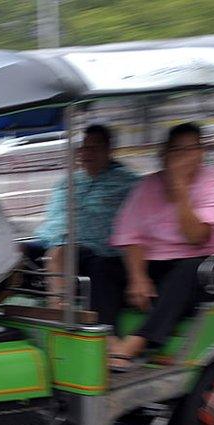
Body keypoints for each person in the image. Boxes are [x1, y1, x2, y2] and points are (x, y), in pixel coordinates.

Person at [108, 122, 214, 371]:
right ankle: (109, 341)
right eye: (175, 151)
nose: (181, 158)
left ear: (200, 153)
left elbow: (197, 237)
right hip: (158, 263)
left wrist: (181, 189)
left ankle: (136, 343)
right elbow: (131, 235)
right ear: (164, 154)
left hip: (207, 264)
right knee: (102, 265)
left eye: (188, 151)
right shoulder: (147, 186)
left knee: (188, 270)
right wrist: (137, 277)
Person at [34, 124, 138, 328]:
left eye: (95, 147)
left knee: (91, 264)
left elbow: (121, 226)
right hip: (62, 243)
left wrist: (62, 244)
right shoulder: (67, 183)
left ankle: (66, 311)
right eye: (84, 148)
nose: (87, 153)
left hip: (104, 251)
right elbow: (54, 220)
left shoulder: (128, 183)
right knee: (17, 253)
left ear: (109, 150)